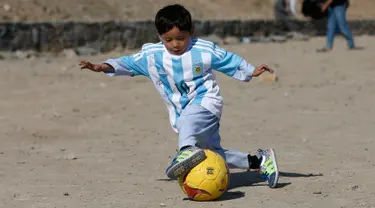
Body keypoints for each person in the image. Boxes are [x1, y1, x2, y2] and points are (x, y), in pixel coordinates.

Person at [79, 4, 279, 188]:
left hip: (206, 101)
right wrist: (102, 66)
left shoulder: (203, 49)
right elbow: (127, 63)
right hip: (181, 111)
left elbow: (227, 59)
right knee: (211, 154)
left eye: (181, 38)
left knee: (189, 122)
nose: (175, 44)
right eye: (168, 39)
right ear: (159, 36)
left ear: (191, 32)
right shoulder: (152, 56)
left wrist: (251, 70)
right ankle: (260, 161)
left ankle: (185, 151)